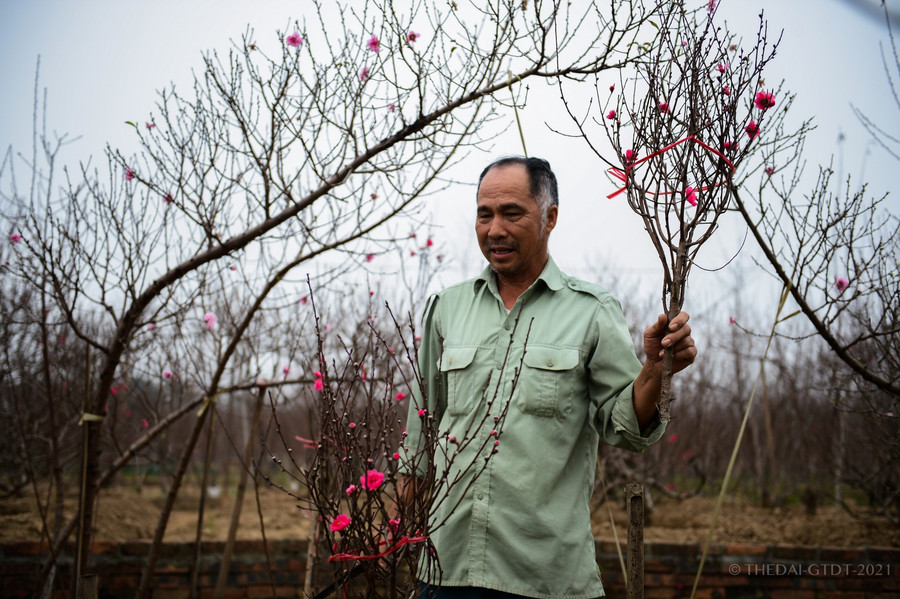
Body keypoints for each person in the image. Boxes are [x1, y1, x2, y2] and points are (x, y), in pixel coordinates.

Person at [401, 156, 697, 599]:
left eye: (512, 213)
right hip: (447, 571)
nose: (495, 229)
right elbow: (420, 435)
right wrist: (404, 531)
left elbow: (625, 428)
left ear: (550, 217)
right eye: (485, 214)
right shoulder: (447, 308)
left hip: (546, 577)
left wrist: (654, 369)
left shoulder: (591, 312)